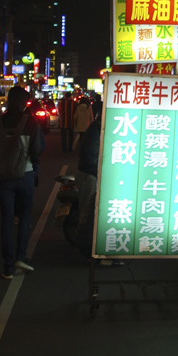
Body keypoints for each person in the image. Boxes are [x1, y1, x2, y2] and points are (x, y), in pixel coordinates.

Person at [0, 86, 44, 279]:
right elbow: (37, 149)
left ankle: (8, 267)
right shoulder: (31, 122)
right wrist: (34, 167)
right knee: (25, 217)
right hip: (25, 175)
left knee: (7, 221)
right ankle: (21, 257)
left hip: (3, 179)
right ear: (23, 102)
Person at [76, 103, 102, 258]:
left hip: (91, 174)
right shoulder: (95, 131)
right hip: (89, 176)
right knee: (86, 213)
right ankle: (85, 249)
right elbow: (90, 159)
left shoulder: (97, 129)